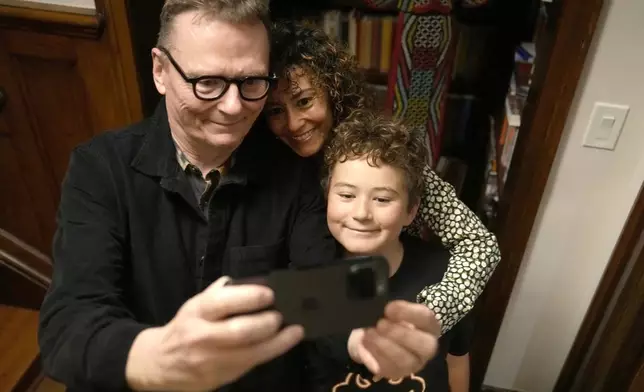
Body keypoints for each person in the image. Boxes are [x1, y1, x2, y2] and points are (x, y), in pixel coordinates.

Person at [38, 1, 439, 391]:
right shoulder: (100, 168)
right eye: (207, 82)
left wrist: (359, 334)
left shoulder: (295, 171)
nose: (233, 107)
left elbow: (320, 289)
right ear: (160, 70)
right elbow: (69, 322)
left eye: (251, 82)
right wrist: (155, 358)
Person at [265, 21, 501, 334]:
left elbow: (479, 245)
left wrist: (429, 312)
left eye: (305, 101)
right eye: (276, 111)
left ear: (333, 92)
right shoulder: (267, 165)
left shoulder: (378, 154)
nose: (294, 123)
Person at [309, 109, 474, 391]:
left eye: (383, 199)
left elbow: (456, 359)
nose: (361, 213)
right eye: (347, 195)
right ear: (327, 198)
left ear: (411, 210)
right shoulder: (306, 272)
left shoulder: (448, 273)